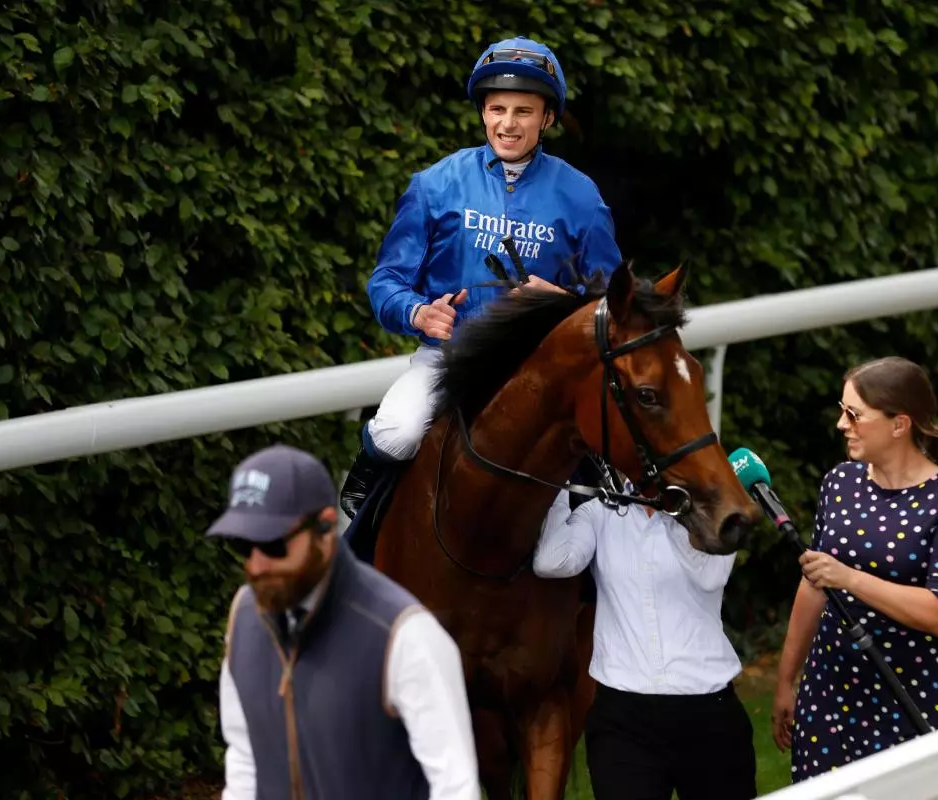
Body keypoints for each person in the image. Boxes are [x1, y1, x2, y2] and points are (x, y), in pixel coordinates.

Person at [338, 36, 623, 520]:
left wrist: (564, 301)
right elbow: (385, 280)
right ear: (483, 112)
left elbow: (617, 305)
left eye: (523, 111)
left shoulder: (582, 196)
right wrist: (418, 313)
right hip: (449, 359)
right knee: (397, 431)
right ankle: (365, 524)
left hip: (539, 372)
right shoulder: (434, 185)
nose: (507, 124)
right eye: (497, 109)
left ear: (547, 118)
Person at [208, 443, 480, 799]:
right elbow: (245, 758)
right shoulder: (243, 617)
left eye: (274, 545)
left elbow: (455, 787)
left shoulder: (403, 634)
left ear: (325, 527)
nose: (256, 566)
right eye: (244, 546)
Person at [771, 356, 938, 782]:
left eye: (854, 414)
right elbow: (814, 584)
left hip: (910, 698)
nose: (841, 423)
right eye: (842, 409)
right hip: (828, 695)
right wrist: (786, 680)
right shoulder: (840, 482)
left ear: (899, 424)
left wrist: (848, 578)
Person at [532, 476, 758, 800]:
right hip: (623, 721)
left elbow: (710, 576)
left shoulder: (714, 510)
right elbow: (552, 562)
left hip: (709, 716)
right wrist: (556, 488)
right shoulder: (600, 512)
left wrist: (677, 505)